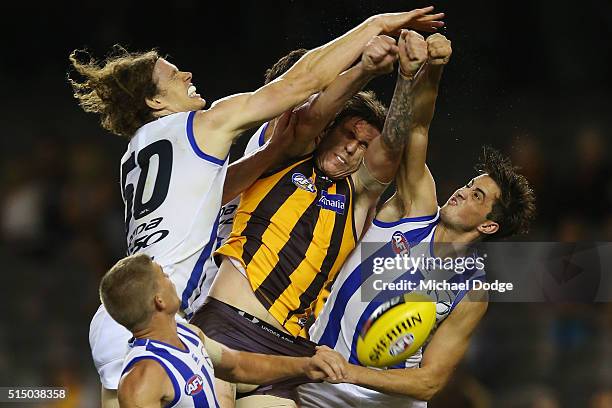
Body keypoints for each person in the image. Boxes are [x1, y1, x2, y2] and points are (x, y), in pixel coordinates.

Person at [68, 7, 444, 406]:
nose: (188, 75)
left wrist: (407, 76)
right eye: (174, 74)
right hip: (174, 317)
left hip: (237, 335)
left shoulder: (143, 152)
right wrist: (370, 39)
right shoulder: (223, 132)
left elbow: (224, 188)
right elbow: (302, 88)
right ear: (153, 99)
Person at [189, 27, 438, 405]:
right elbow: (310, 116)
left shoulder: (357, 196)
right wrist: (365, 68)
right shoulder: (283, 154)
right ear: (326, 131)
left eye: (362, 146)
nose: (352, 148)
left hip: (290, 351)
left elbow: (390, 147)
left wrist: (407, 78)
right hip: (228, 325)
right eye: (347, 134)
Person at [299, 33, 537, 407]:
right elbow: (418, 129)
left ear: (489, 225)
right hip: (315, 385)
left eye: (477, 196)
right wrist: (435, 69)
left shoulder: (471, 293)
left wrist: (348, 371)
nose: (461, 191)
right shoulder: (416, 210)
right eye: (469, 184)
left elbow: (429, 382)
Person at [99, 253, 349, 407]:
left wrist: (304, 366)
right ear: (159, 301)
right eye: (163, 276)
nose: (170, 280)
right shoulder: (141, 381)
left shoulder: (188, 334)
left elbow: (239, 365)